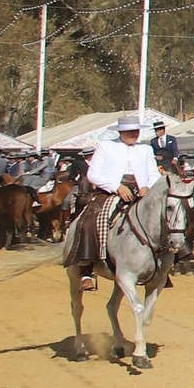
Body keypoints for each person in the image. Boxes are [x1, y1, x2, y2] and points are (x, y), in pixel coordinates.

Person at [66, 115, 158, 290]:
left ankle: (162, 265)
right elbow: (93, 174)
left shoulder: (145, 149)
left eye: (136, 131)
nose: (134, 134)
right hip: (111, 191)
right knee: (89, 222)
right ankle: (87, 269)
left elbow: (154, 172)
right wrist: (117, 187)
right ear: (121, 132)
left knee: (165, 217)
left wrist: (147, 186)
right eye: (130, 131)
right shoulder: (106, 146)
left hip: (141, 191)